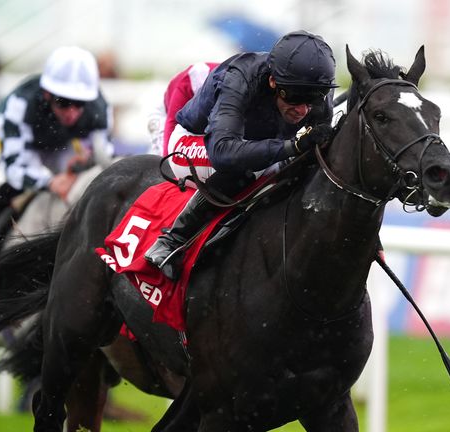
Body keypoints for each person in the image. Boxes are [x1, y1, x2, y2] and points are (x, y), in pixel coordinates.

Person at [144, 30, 338, 280]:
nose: (302, 109)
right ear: (272, 82)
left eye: (313, 98)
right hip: (193, 142)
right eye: (295, 97)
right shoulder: (240, 77)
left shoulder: (318, 86)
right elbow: (222, 152)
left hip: (248, 144)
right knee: (259, 165)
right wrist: (291, 147)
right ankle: (171, 242)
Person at [0, 46, 114, 266]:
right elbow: (16, 170)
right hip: (5, 134)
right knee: (24, 184)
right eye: (63, 102)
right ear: (47, 94)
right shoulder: (20, 104)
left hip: (58, 139)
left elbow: (105, 157)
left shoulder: (99, 107)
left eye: (79, 103)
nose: (72, 111)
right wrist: (49, 182)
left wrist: (84, 163)